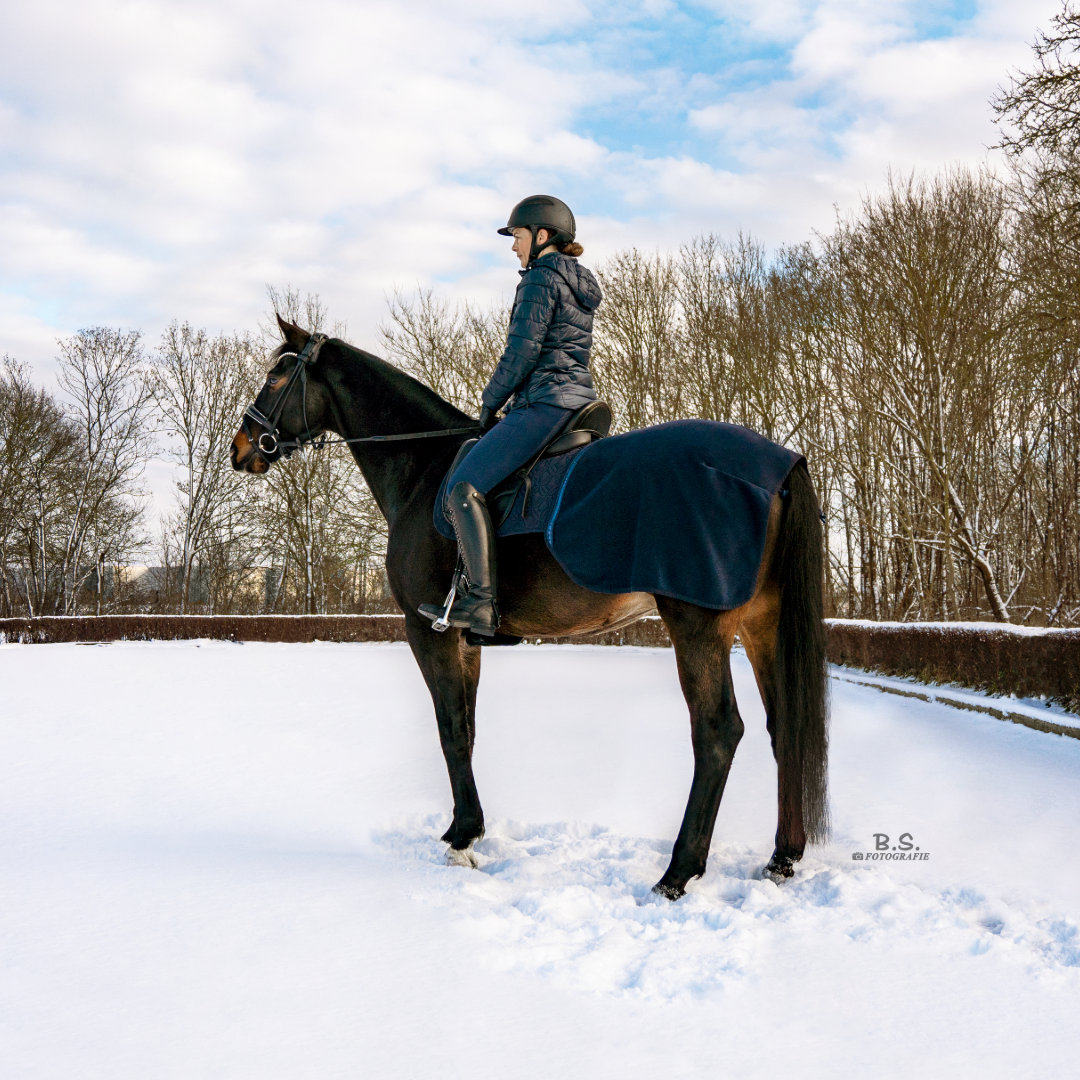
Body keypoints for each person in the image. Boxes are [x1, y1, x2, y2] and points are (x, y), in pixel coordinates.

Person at [418, 195, 603, 636]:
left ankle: (481, 604)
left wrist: (488, 404)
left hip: (544, 402)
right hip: (579, 402)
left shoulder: (539, 280)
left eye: (517, 236)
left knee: (464, 488)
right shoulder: (579, 283)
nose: (514, 247)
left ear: (542, 236)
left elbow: (521, 353)